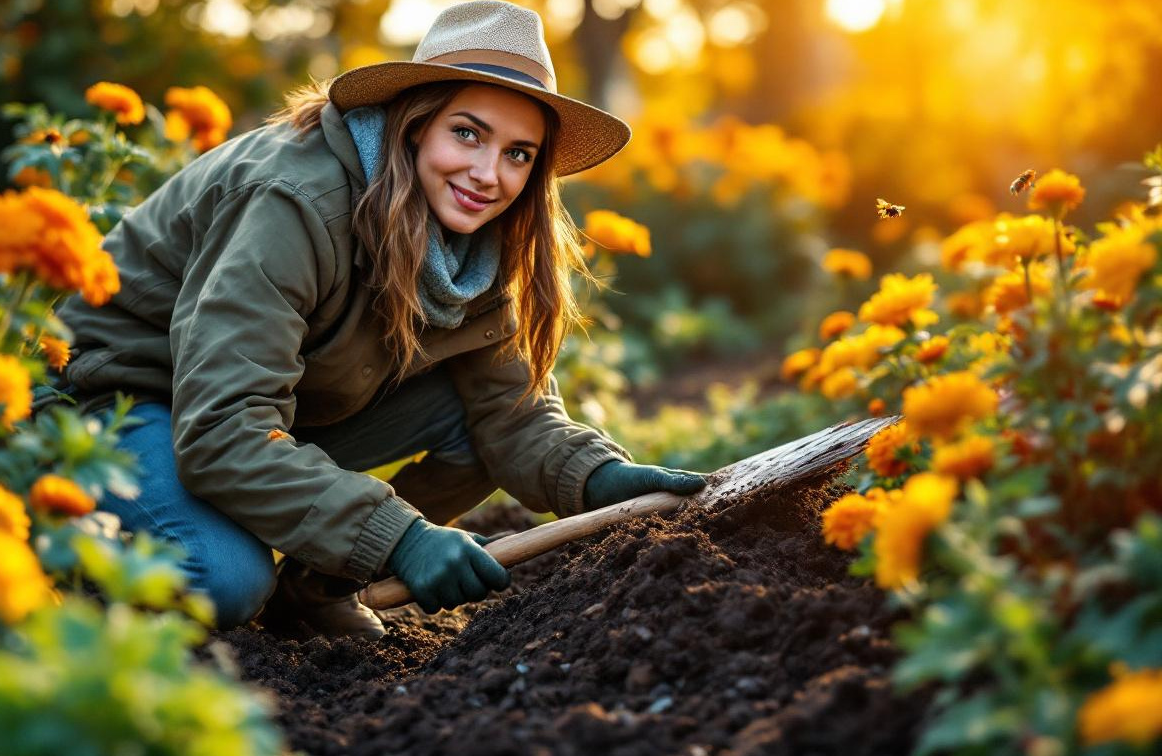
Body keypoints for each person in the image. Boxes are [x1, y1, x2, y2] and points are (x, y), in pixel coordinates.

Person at [56, 0, 706, 638]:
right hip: (117, 398)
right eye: (468, 133)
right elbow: (223, 427)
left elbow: (510, 415)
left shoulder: (477, 239)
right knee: (221, 578)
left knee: (476, 425)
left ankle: (314, 592)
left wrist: (599, 477)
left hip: (261, 402)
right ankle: (54, 555)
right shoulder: (293, 203)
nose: (488, 175)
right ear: (415, 122)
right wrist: (399, 538)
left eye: (518, 153)